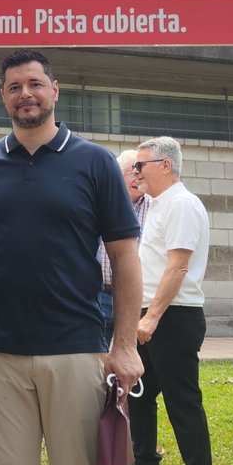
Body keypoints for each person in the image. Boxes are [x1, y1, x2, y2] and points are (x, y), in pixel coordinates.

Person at [0, 49, 144, 465]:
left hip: (76, 350)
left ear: (54, 90)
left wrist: (123, 345)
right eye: (14, 87)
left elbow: (127, 258)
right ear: (3, 97)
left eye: (35, 84)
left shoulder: (95, 162)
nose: (26, 95)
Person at [128, 136, 215, 465]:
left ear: (165, 165)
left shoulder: (182, 204)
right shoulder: (159, 206)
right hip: (153, 313)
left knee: (182, 402)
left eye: (140, 166)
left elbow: (177, 266)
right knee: (140, 395)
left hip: (173, 317)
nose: (135, 173)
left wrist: (151, 317)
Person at [97, 148, 150, 346]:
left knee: (129, 355)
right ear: (117, 176)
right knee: (98, 357)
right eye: (131, 172)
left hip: (135, 297)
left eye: (140, 172)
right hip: (101, 294)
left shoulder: (155, 207)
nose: (137, 178)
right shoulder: (102, 204)